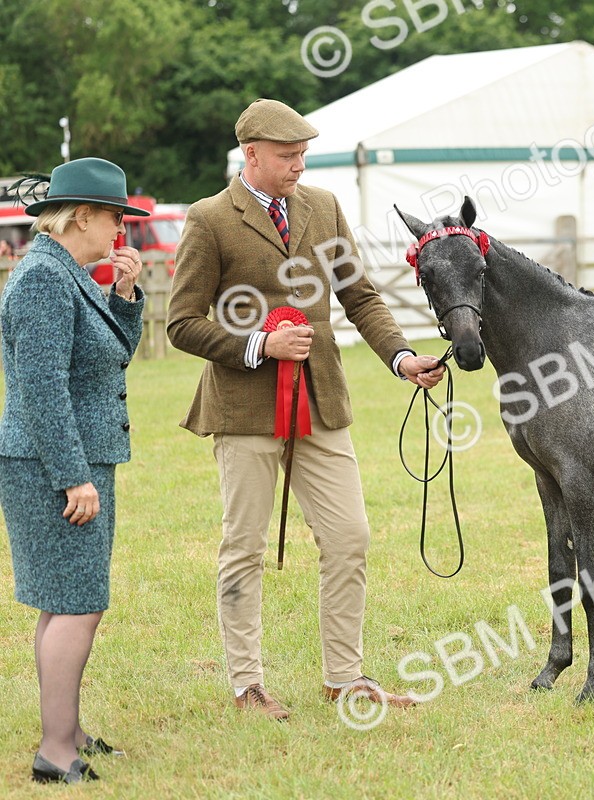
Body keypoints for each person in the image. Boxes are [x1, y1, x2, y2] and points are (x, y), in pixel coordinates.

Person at [167, 98, 446, 721]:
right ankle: (247, 686)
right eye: (287, 156)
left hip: (320, 401)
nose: (299, 166)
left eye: (303, 155)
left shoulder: (324, 206)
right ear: (251, 154)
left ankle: (344, 679)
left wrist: (402, 358)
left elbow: (359, 295)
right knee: (244, 546)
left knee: (350, 537)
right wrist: (258, 345)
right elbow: (181, 323)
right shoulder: (209, 219)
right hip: (244, 409)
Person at [0, 157, 146, 783]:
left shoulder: (65, 273)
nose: (120, 229)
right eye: (115, 217)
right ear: (81, 216)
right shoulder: (44, 279)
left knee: (65, 602)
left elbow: (109, 355)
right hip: (54, 465)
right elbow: (42, 389)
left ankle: (67, 728)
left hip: (69, 460)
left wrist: (125, 296)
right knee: (77, 605)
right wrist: (72, 475)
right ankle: (56, 752)